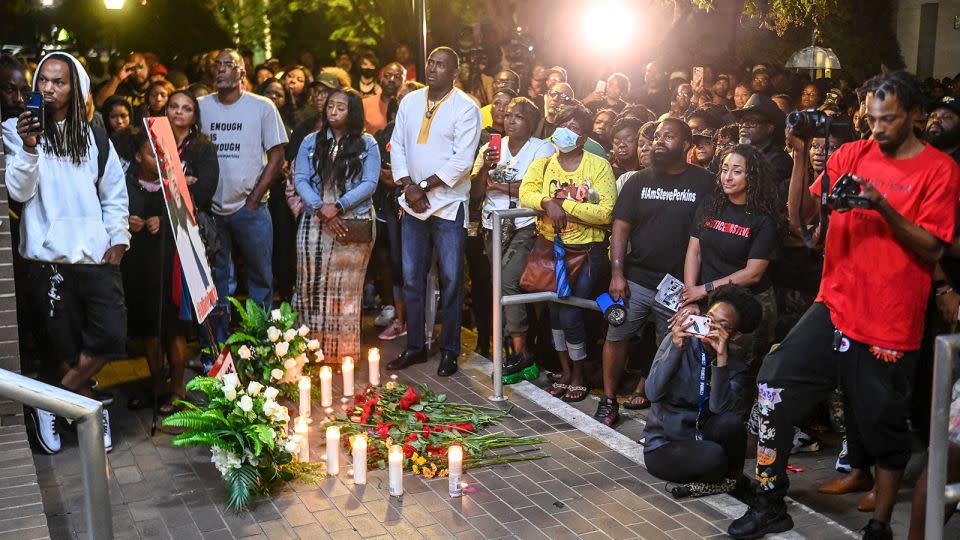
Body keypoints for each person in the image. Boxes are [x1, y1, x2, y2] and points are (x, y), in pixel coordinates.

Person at [728, 71, 960, 540]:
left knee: (884, 427)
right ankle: (771, 501)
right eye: (872, 119)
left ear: (915, 115)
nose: (877, 129)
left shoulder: (940, 170)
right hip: (833, 306)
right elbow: (802, 217)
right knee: (773, 381)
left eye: (889, 120)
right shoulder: (853, 153)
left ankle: (879, 525)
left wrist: (881, 206)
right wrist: (799, 155)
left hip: (889, 321)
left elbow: (933, 249)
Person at [8, 52, 130, 454]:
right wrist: (29, 146)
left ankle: (51, 402)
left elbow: (113, 190)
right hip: (49, 257)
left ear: (75, 88)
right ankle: (88, 408)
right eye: (43, 80)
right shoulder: (15, 129)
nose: (48, 88)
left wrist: (118, 238)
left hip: (95, 255)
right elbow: (19, 193)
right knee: (65, 347)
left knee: (110, 335)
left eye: (59, 82)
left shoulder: (93, 132)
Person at [595, 118, 714, 425]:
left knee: (672, 345)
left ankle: (663, 412)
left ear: (686, 146)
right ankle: (608, 401)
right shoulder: (638, 180)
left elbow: (706, 236)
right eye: (657, 136)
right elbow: (620, 228)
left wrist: (696, 287)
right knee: (616, 334)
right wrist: (617, 273)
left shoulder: (703, 182)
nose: (659, 141)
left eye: (668, 137)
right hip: (637, 279)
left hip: (678, 285)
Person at [386, 47, 481, 377]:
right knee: (412, 279)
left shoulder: (466, 108)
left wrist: (421, 187)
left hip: (448, 205)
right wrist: (406, 185)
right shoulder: (410, 101)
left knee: (452, 279)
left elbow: (462, 161)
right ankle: (415, 346)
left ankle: (450, 350)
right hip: (412, 205)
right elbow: (397, 144)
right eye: (430, 62)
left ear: (455, 72)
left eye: (441, 65)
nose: (432, 68)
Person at [519, 103, 616, 403]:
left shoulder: (598, 166)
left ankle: (579, 372)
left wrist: (565, 206)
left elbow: (605, 212)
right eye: (563, 125)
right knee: (555, 312)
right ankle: (564, 370)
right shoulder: (544, 164)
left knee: (571, 310)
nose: (566, 131)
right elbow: (526, 193)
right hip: (551, 249)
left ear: (584, 138)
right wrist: (548, 202)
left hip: (586, 250)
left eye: (574, 128)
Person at [199, 49, 287, 350]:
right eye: (218, 64)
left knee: (260, 277)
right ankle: (221, 344)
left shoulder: (261, 107)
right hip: (212, 211)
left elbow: (277, 156)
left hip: (251, 208)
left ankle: (260, 341)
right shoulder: (201, 107)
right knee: (218, 280)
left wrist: (254, 199)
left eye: (229, 65)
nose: (222, 70)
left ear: (242, 72)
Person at [643, 285, 762, 487]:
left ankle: (733, 481)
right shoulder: (679, 341)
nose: (710, 327)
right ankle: (722, 478)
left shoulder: (735, 366)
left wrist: (721, 360)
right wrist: (675, 348)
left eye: (721, 325)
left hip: (701, 435)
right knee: (714, 457)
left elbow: (719, 409)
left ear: (735, 335)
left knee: (731, 424)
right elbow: (652, 392)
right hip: (665, 444)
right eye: (709, 319)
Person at [293, 88, 379, 360]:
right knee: (311, 286)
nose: (333, 111)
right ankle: (311, 353)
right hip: (316, 219)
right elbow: (300, 179)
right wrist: (321, 208)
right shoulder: (310, 141)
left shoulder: (367, 143)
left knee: (347, 290)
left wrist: (338, 206)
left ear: (352, 111)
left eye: (340, 107)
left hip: (351, 219)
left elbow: (370, 183)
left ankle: (343, 354)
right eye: (330, 106)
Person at [471, 97, 554, 375]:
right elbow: (475, 193)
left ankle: (522, 353)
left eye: (518, 116)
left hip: (525, 225)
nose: (510, 120)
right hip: (492, 225)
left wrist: (499, 186)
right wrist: (485, 167)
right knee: (500, 287)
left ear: (532, 122)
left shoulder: (541, 148)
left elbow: (536, 191)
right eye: (508, 115)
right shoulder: (491, 147)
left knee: (508, 281)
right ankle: (514, 349)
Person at [681, 145, 781, 370]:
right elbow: (694, 251)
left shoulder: (763, 219)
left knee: (736, 370)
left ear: (752, 176)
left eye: (736, 171)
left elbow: (753, 274)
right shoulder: (710, 204)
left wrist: (703, 289)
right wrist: (691, 296)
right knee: (700, 364)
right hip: (708, 300)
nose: (727, 177)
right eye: (724, 169)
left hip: (746, 306)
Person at [119, 128, 192, 414]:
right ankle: (157, 382)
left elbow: (187, 216)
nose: (158, 160)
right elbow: (111, 211)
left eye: (161, 154)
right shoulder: (125, 183)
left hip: (167, 263)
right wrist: (127, 221)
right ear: (138, 157)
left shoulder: (172, 182)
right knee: (149, 329)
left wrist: (164, 218)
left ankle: (178, 387)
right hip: (138, 265)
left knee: (173, 330)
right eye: (152, 155)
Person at [374, 80, 424, 342]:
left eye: (410, 96)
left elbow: (417, 171)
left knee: (418, 267)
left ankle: (421, 325)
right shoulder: (387, 132)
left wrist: (400, 177)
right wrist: (396, 177)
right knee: (396, 264)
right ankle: (401, 320)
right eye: (401, 98)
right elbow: (381, 170)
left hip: (421, 203)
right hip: (392, 205)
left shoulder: (425, 130)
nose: (403, 100)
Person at [733, 93, 792, 194]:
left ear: (770, 128)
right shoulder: (734, 154)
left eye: (752, 122)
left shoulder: (780, 160)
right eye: (742, 121)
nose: (744, 126)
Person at [362, 62, 405, 135]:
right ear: (380, 78)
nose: (391, 79)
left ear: (404, 81)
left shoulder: (408, 106)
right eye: (387, 75)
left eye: (397, 76)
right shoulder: (364, 104)